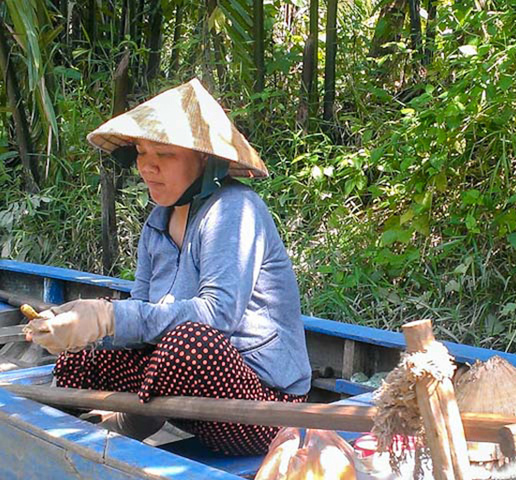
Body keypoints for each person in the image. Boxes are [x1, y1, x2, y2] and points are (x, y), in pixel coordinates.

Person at [25, 78, 311, 456]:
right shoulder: (157, 224)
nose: (147, 166)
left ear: (205, 160)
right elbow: (141, 319)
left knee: (190, 343)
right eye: (141, 152)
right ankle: (129, 417)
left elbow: (217, 314)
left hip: (260, 407)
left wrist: (109, 318)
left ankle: (132, 418)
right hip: (186, 398)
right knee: (79, 356)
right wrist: (80, 325)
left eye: (165, 154)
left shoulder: (235, 209)